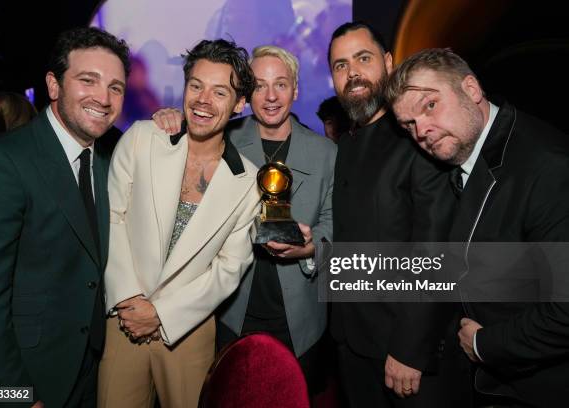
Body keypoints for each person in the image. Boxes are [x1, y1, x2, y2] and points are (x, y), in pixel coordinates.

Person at [0, 27, 130, 407]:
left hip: (85, 368)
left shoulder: (107, 161)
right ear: (53, 85)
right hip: (18, 377)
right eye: (89, 80)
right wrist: (11, 396)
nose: (103, 97)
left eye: (116, 87)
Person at [387, 47, 569, 407]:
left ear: (470, 89)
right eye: (409, 124)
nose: (421, 130)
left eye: (430, 105)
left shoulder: (547, 166)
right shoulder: (471, 157)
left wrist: (485, 345)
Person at [152, 45, 336, 395]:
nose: (270, 96)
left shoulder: (326, 152)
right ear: (246, 93)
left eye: (281, 84)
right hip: (231, 310)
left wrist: (310, 249)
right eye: (260, 85)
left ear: (295, 90)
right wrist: (169, 121)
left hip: (301, 317)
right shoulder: (224, 139)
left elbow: (332, 220)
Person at [98, 39, 261, 408]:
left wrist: (160, 313)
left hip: (187, 327)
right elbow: (112, 217)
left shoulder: (248, 182)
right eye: (196, 86)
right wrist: (128, 298)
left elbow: (229, 268)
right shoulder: (142, 138)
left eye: (220, 92)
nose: (203, 100)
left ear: (239, 105)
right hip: (123, 316)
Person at [328, 22, 469, 407]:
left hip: (407, 355)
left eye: (363, 58)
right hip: (352, 346)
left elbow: (437, 249)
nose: (352, 72)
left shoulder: (418, 135)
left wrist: (410, 348)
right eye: (340, 65)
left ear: (388, 62)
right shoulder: (346, 145)